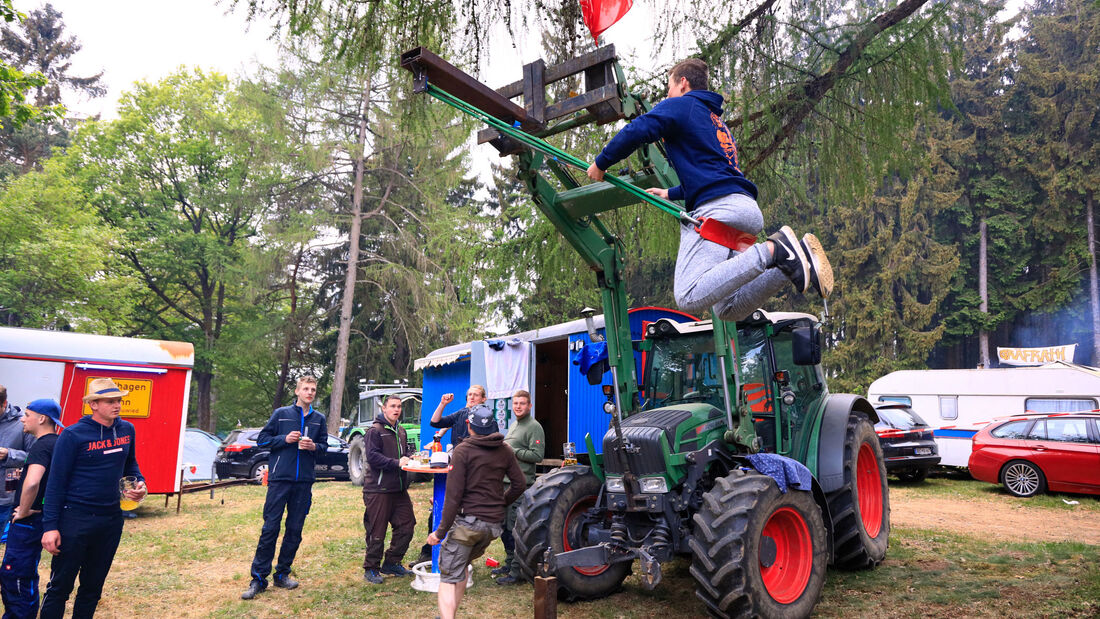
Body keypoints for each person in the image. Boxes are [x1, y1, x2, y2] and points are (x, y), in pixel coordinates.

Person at [586, 58, 834, 322]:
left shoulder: (681, 105)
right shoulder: (716, 123)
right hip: (744, 209)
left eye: (669, 87)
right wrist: (670, 193)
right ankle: (792, 262)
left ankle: (774, 250)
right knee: (728, 310)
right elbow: (711, 172)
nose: (667, 95)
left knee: (688, 294)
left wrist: (601, 163)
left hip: (718, 211)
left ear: (683, 83)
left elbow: (639, 129)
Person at [39, 378, 146, 619]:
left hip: (110, 520)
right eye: (110, 401)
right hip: (74, 519)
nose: (117, 405)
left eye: (119, 400)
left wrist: (140, 482)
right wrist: (50, 527)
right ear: (93, 405)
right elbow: (55, 483)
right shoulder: (73, 435)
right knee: (60, 587)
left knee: (92, 587)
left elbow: (131, 464)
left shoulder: (127, 429)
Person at [426, 406, 525, 619]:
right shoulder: (505, 449)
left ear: (469, 426)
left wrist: (439, 533)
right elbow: (519, 484)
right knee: (459, 567)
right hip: (492, 527)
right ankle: (448, 613)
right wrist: (500, 503)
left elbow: (452, 498)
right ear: (492, 426)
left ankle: (446, 616)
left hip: (467, 526)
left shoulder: (462, 451)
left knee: (448, 577)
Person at [241, 376, 328, 600]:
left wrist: (313, 446)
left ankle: (282, 574)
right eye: (306, 389)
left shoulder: (319, 419)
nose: (310, 392)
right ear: (297, 391)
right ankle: (258, 579)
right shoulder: (281, 414)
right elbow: (261, 440)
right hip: (280, 480)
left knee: (294, 530)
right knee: (270, 528)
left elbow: (325, 448)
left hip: (304, 482)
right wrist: (284, 439)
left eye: (313, 389)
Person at [1, 398, 62, 619]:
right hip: (43, 517)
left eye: (27, 414)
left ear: (42, 418)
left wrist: (24, 509)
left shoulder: (41, 445)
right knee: (24, 573)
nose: (22, 419)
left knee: (15, 574)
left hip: (28, 523)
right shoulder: (58, 443)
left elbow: (33, 482)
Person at [361, 394, 416, 584]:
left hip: (399, 489)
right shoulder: (374, 431)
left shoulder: (401, 430)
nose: (396, 409)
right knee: (377, 530)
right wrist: (396, 463)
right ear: (384, 409)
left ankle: (392, 562)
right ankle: (371, 568)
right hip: (378, 489)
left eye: (399, 406)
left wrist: (412, 456)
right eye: (393, 406)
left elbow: (406, 452)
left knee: (407, 525)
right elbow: (373, 457)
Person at [494, 390, 545, 585]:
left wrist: (512, 450)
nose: (518, 406)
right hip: (505, 485)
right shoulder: (514, 424)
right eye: (515, 403)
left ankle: (518, 572)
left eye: (522, 403)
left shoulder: (534, 427)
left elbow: (537, 456)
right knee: (504, 528)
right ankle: (509, 563)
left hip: (520, 486)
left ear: (529, 406)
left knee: (515, 528)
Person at [0, 384, 34, 542]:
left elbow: (34, 457)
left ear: (4, 404)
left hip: (5, 496)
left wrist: (9, 454)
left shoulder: (21, 423)